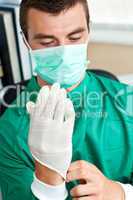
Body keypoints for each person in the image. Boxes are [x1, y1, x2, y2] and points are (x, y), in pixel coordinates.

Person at [0, 0, 133, 199]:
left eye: (75, 37)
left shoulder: (127, 101)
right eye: (46, 42)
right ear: (26, 40)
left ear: (89, 30)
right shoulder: (8, 131)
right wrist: (47, 180)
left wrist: (120, 192)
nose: (63, 52)